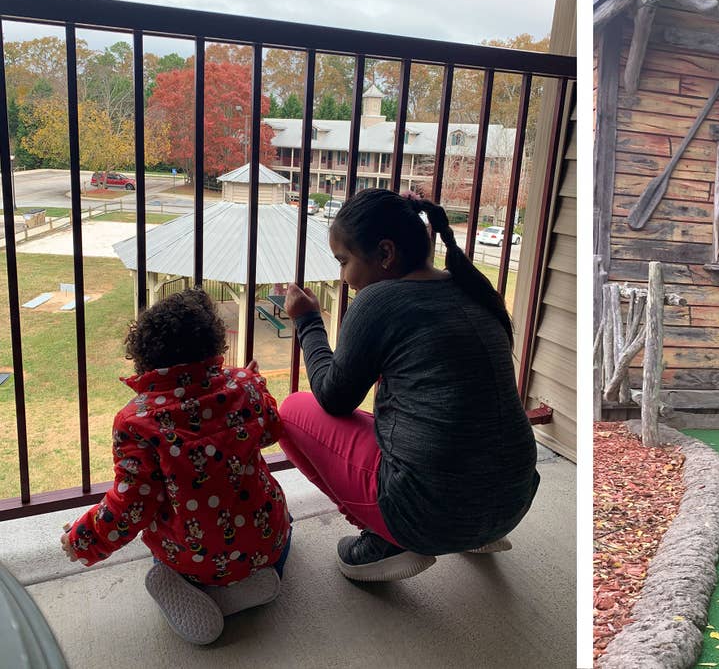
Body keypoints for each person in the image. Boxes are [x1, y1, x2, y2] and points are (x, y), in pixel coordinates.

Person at [279, 187, 539, 583]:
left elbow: (333, 398)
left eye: (344, 261)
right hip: (512, 503)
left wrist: (307, 322)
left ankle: (385, 537)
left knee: (291, 412)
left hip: (427, 516)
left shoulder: (381, 300)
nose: (344, 278)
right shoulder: (473, 290)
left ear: (385, 254)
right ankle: (473, 530)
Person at [60, 288, 291, 645]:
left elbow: (131, 505)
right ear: (216, 346)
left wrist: (83, 538)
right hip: (266, 540)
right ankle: (254, 581)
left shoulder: (136, 421)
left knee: (165, 560)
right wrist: (255, 387)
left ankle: (203, 589)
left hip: (193, 557)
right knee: (284, 527)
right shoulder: (243, 387)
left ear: (143, 357)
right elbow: (272, 431)